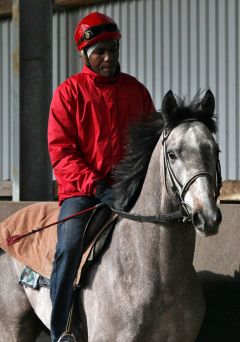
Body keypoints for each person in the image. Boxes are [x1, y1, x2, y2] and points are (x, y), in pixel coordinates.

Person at [48, 11, 155, 342]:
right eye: (100, 52)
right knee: (67, 249)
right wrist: (94, 185)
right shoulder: (68, 94)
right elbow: (61, 152)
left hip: (127, 188)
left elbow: (150, 144)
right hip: (83, 192)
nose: (108, 58)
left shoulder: (136, 92)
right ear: (85, 55)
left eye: (112, 49)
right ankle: (61, 330)